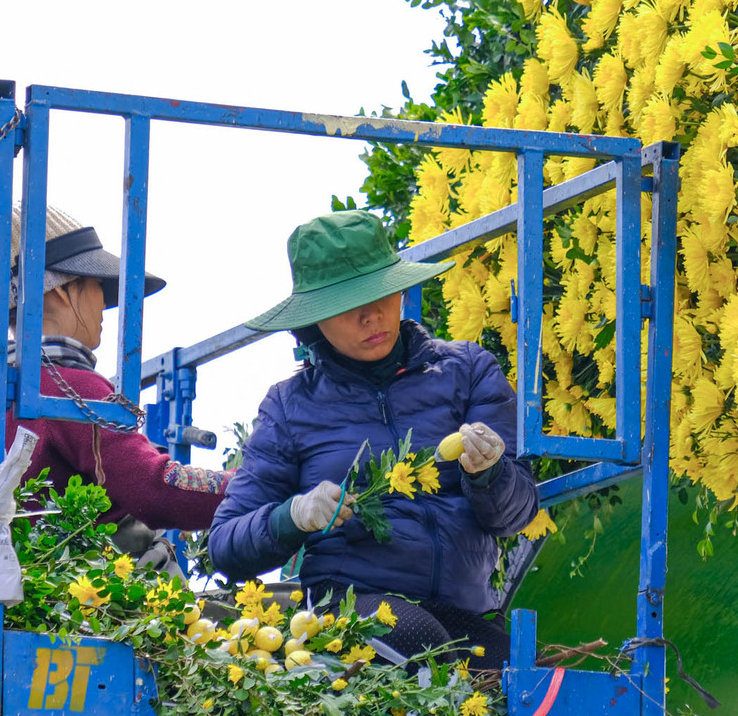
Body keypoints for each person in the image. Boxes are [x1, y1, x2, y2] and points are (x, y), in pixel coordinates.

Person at [208, 211, 539, 670]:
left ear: (400, 290)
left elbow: (516, 516)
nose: (371, 316)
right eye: (347, 306)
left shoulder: (467, 370)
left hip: (464, 612)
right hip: (351, 608)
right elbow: (225, 545)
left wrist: (491, 475)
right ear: (314, 321)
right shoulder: (289, 406)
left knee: (532, 682)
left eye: (380, 294)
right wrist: (293, 516)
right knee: (417, 637)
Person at [0, 206, 230, 574]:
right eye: (96, 285)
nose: (105, 303)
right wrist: (249, 484)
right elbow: (153, 489)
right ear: (62, 291)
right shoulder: (73, 389)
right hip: (96, 593)